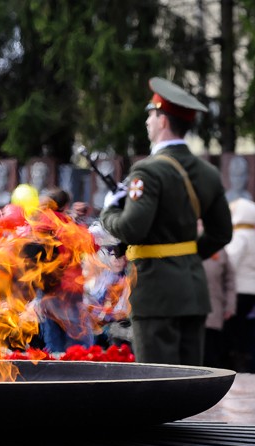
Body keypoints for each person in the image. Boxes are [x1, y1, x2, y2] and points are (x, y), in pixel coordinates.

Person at [100, 77, 233, 365]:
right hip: (192, 290)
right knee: (188, 382)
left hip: (156, 292)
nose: (148, 121)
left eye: (151, 114)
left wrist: (109, 211)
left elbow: (131, 228)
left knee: (157, 383)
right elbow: (222, 233)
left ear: (162, 120)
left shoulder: (148, 171)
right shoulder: (207, 172)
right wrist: (184, 257)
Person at [224, 198, 255, 373]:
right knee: (242, 331)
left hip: (239, 288)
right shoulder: (254, 235)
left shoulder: (240, 236)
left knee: (233, 332)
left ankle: (234, 364)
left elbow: (231, 262)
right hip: (253, 288)